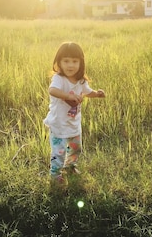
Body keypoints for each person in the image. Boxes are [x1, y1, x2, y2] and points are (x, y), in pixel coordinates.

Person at [43, 42, 105, 184]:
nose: (70, 65)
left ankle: (70, 166)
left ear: (81, 63)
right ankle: (55, 174)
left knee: (76, 148)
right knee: (59, 152)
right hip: (59, 124)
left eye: (74, 61)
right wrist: (69, 96)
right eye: (66, 61)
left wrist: (97, 94)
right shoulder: (59, 79)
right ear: (59, 62)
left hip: (73, 124)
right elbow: (52, 90)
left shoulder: (81, 80)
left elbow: (87, 92)